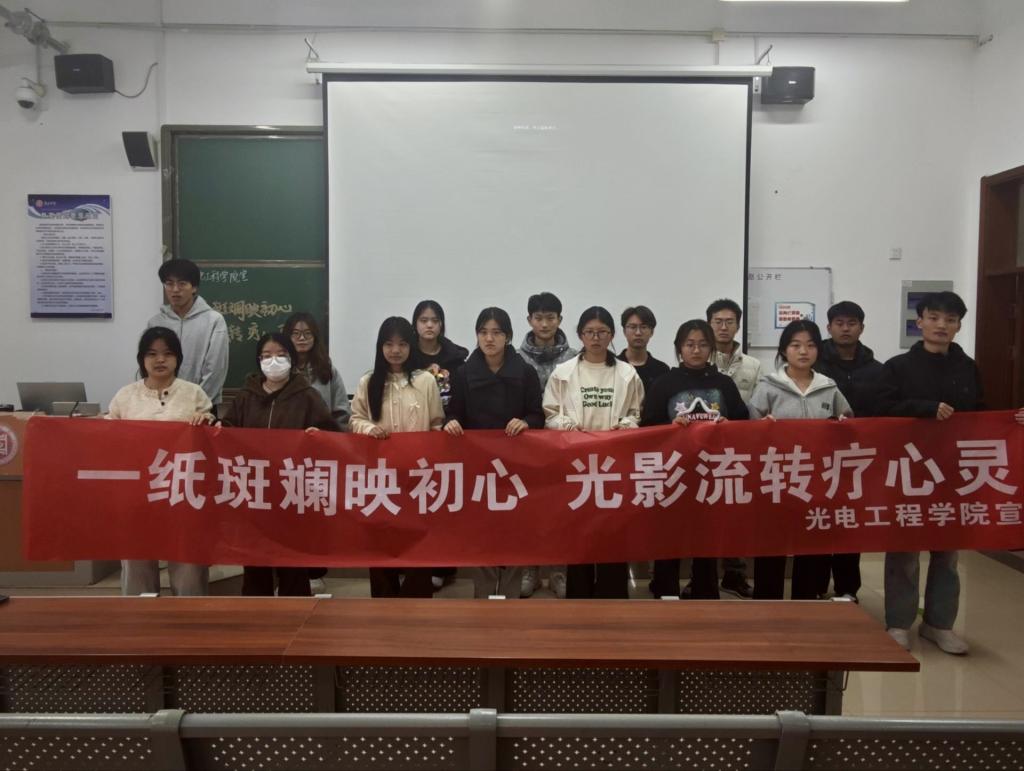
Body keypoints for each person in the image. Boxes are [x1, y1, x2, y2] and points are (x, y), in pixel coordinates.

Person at [877, 291, 980, 654]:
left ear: (958, 326)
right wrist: (924, 408)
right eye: (934, 318)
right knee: (904, 551)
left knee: (947, 553)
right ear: (919, 322)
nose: (941, 325)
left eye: (950, 320)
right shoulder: (897, 367)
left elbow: (980, 415)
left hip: (954, 471)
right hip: (909, 471)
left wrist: (1010, 421)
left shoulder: (967, 367)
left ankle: (939, 624)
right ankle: (898, 623)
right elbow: (881, 410)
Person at [218, 332, 340, 596]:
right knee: (255, 561)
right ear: (258, 360)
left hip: (292, 492)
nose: (273, 361)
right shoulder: (246, 396)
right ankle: (257, 612)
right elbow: (227, 432)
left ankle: (296, 612)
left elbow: (332, 435)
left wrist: (319, 437)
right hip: (255, 491)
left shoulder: (307, 396)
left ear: (292, 359)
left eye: (280, 355)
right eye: (266, 356)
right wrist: (215, 428)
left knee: (292, 563)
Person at [642, 320, 749, 599]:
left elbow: (743, 423)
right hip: (672, 472)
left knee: (706, 537)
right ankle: (665, 590)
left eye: (702, 344)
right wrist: (669, 428)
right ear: (679, 348)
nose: (696, 350)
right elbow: (646, 426)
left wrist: (729, 425)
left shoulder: (724, 384)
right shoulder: (664, 383)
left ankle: (705, 591)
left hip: (712, 473)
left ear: (711, 348)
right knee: (669, 536)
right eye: (689, 344)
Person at [747, 319, 853, 601]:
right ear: (784, 350)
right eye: (795, 345)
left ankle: (806, 602)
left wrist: (843, 425)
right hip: (776, 478)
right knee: (772, 544)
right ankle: (766, 603)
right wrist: (760, 428)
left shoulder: (828, 387)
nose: (803, 351)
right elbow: (748, 431)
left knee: (812, 543)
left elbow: (848, 422)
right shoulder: (768, 387)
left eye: (810, 345)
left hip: (816, 479)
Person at [544, 306, 644, 599]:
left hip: (615, 465)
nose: (596, 338)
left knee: (614, 533)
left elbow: (636, 413)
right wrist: (570, 427)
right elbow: (550, 414)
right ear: (580, 335)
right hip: (577, 467)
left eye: (602, 332)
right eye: (589, 332)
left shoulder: (627, 374)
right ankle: (580, 597)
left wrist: (623, 427)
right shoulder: (563, 373)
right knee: (579, 534)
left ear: (612, 336)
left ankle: (613, 597)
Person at [444, 307, 544, 598]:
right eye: (483, 332)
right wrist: (451, 422)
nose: (489, 339)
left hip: (516, 466)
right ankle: (484, 593)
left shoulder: (525, 371)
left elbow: (537, 414)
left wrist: (525, 422)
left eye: (496, 333)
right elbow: (454, 413)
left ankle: (511, 594)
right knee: (482, 531)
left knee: (515, 530)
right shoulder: (464, 373)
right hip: (479, 466)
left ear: (508, 336)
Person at [108, 327, 216, 596]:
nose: (160, 360)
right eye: (152, 354)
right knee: (137, 564)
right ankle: (140, 618)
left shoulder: (194, 393)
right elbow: (107, 439)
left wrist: (206, 421)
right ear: (142, 359)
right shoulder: (125, 396)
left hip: (183, 491)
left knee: (188, 565)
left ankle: (189, 615)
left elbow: (212, 440)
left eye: (167, 353)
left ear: (177, 358)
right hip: (137, 493)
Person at [350, 317, 445, 598]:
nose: (395, 350)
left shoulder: (425, 381)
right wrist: (369, 429)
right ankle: (383, 600)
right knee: (381, 540)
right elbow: (355, 419)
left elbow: (436, 423)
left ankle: (417, 599)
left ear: (411, 346)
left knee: (418, 540)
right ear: (380, 347)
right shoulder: (368, 381)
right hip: (380, 476)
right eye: (389, 344)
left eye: (402, 344)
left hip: (417, 476)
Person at [811, 300, 886, 601]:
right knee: (818, 521)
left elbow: (885, 410)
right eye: (839, 323)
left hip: (859, 459)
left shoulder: (878, 370)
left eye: (851, 323)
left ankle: (847, 588)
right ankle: (815, 586)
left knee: (848, 522)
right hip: (817, 457)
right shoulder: (814, 366)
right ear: (829, 327)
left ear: (861, 328)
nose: (845, 329)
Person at [518, 292, 578, 599]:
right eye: (538, 318)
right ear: (529, 320)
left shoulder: (576, 358)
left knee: (562, 510)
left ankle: (558, 569)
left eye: (550, 317)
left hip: (565, 446)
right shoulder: (516, 358)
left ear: (560, 319)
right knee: (529, 510)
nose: (544, 324)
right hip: (526, 447)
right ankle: (530, 568)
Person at [704, 298, 762, 598]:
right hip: (702, 450)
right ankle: (702, 577)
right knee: (704, 514)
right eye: (718, 321)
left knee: (736, 514)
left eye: (729, 322)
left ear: (738, 325)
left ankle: (734, 575)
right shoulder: (698, 359)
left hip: (739, 450)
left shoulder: (753, 366)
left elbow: (758, 406)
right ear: (709, 324)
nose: (723, 327)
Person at [410, 299, 467, 591]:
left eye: (434, 320)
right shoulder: (406, 355)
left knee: (443, 503)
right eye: (423, 320)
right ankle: (417, 562)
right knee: (417, 502)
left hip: (449, 436)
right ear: (415, 324)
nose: (429, 325)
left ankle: (443, 566)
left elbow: (463, 397)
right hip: (416, 435)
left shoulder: (456, 358)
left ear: (442, 324)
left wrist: (451, 420)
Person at [147, 258, 229, 414]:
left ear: (194, 287)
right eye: (169, 284)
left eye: (182, 283)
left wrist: (196, 403)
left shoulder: (213, 321)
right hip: (162, 405)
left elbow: (215, 370)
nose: (175, 289)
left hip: (202, 408)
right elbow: (149, 364)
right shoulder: (156, 323)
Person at [282, 312, 350, 431]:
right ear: (287, 337)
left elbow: (342, 413)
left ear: (315, 337)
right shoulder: (280, 369)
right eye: (296, 334)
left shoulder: (327, 369)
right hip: (289, 435)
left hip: (322, 436)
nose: (302, 338)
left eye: (307, 333)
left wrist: (329, 434)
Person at [618, 305, 670, 393]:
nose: (638, 333)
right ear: (624, 331)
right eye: (633, 327)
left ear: (652, 332)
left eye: (644, 327)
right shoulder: (613, 366)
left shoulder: (662, 370)